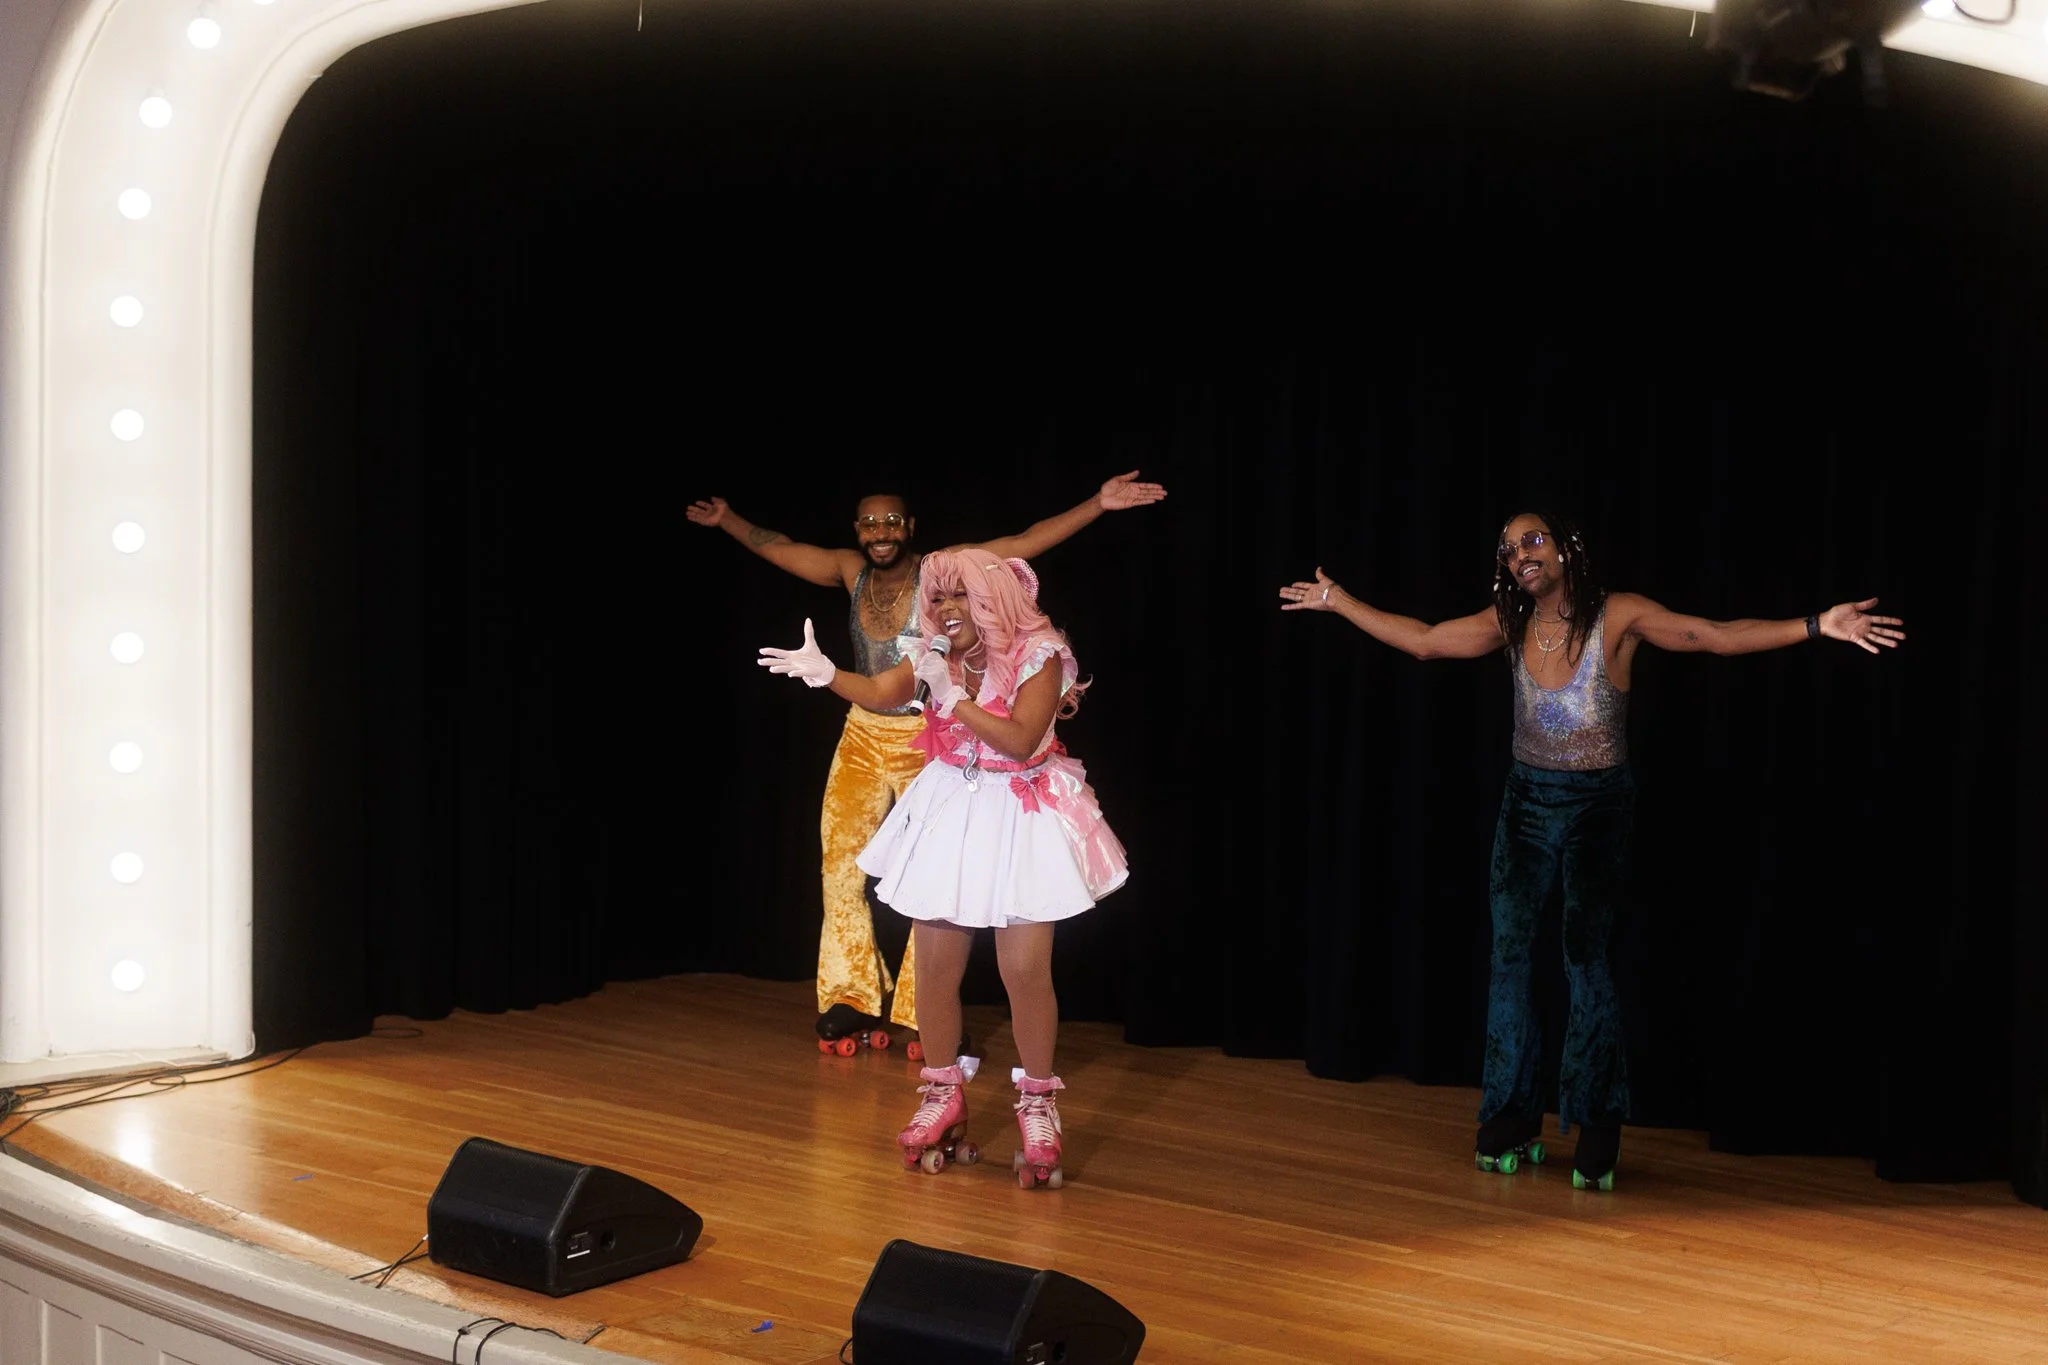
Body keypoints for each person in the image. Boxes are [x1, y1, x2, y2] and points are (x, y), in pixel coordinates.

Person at [1278, 509, 1905, 1190]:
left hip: (1598, 808)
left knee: (1584, 960)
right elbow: (1426, 641)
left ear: (1566, 548)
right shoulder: (1509, 620)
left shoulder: (1621, 616)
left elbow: (1715, 636)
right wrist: (1336, 600)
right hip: (1525, 804)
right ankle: (1512, 1117)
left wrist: (1817, 623)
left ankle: (1596, 1122)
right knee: (1511, 959)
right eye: (1511, 548)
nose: (1522, 553)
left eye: (1534, 539)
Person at [687, 473, 1162, 1057]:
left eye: (892, 521)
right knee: (846, 867)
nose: (881, 532)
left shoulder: (957, 579)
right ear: (857, 529)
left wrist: (1096, 502)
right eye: (870, 522)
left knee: (966, 917)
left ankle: (933, 1023)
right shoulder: (856, 577)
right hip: (881, 739)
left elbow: (1025, 540)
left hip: (940, 743)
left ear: (910, 527)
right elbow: (785, 552)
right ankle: (852, 998)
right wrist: (827, 671)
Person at [758, 547, 1126, 1187]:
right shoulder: (933, 654)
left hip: (1020, 811)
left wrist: (953, 698)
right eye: (938, 599)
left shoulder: (1041, 657)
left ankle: (1038, 1104)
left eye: (960, 598)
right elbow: (879, 691)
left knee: (1022, 968)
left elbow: (1017, 738)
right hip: (952, 804)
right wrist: (828, 675)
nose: (946, 610)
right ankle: (943, 1093)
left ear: (993, 600)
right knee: (934, 964)